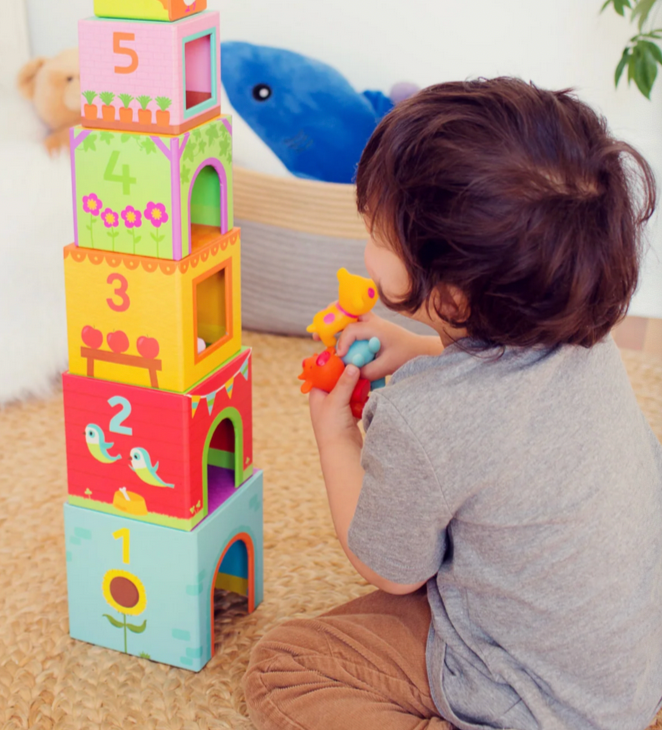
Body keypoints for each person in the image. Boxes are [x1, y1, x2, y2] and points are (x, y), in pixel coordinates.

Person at [243, 78, 662, 730]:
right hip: (630, 667)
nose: (365, 244)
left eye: (376, 232)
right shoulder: (582, 335)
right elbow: (503, 412)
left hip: (537, 700)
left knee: (283, 668)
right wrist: (415, 347)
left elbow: (389, 569)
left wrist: (335, 436)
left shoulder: (422, 425)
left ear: (456, 300)